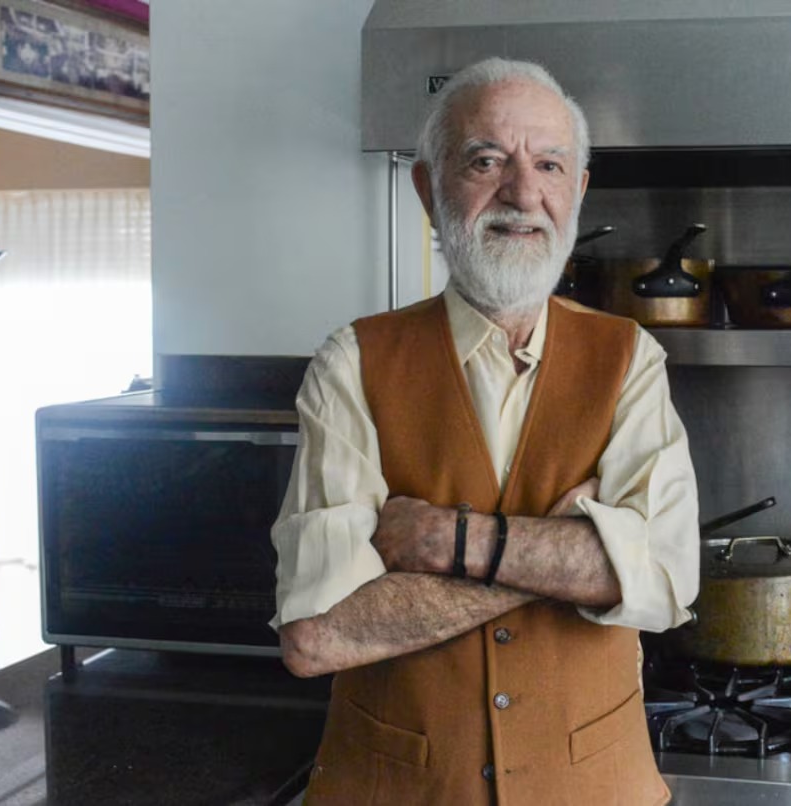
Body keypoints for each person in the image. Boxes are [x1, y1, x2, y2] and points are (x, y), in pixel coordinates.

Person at [271, 57, 699, 806]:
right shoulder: (353, 363)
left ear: (578, 190)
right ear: (429, 189)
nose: (522, 191)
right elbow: (320, 634)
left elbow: (662, 580)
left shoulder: (630, 358)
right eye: (485, 160)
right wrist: (568, 554)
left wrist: (447, 541)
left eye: (549, 164)